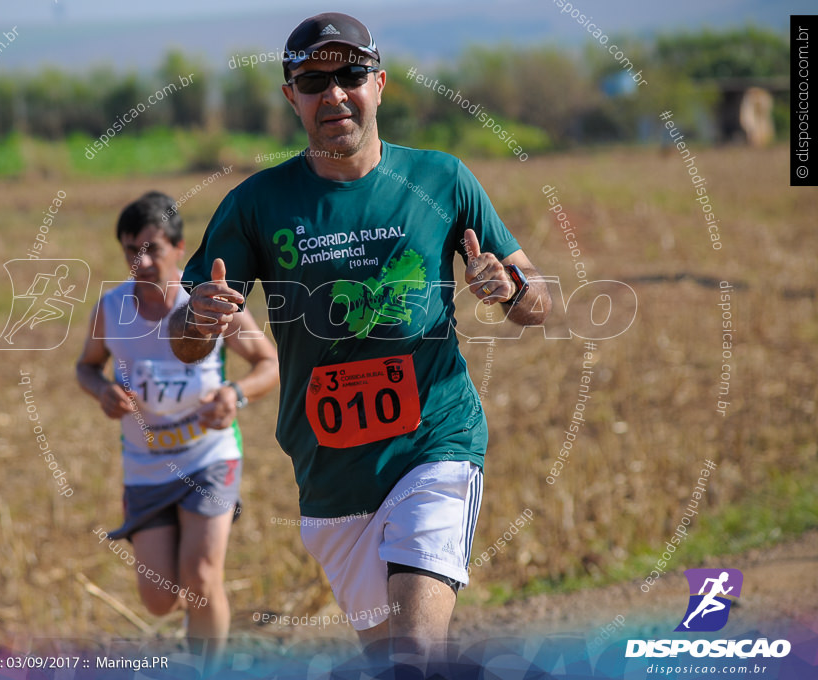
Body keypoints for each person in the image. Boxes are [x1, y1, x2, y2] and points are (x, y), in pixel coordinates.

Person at [169, 12, 552, 672]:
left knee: (412, 649)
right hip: (330, 475)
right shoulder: (256, 203)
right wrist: (197, 319)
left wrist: (511, 287)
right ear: (291, 95)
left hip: (436, 446)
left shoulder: (442, 179)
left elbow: (540, 299)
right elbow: (182, 341)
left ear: (380, 84)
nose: (334, 93)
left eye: (349, 74)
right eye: (313, 80)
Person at [76, 191, 278, 663]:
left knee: (202, 577)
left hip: (210, 456)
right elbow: (86, 367)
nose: (140, 260)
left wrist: (235, 394)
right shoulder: (112, 308)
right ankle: (196, 631)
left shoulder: (208, 303)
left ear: (180, 247)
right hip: (146, 465)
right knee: (159, 598)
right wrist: (101, 390)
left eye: (152, 248)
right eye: (130, 249)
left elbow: (269, 362)